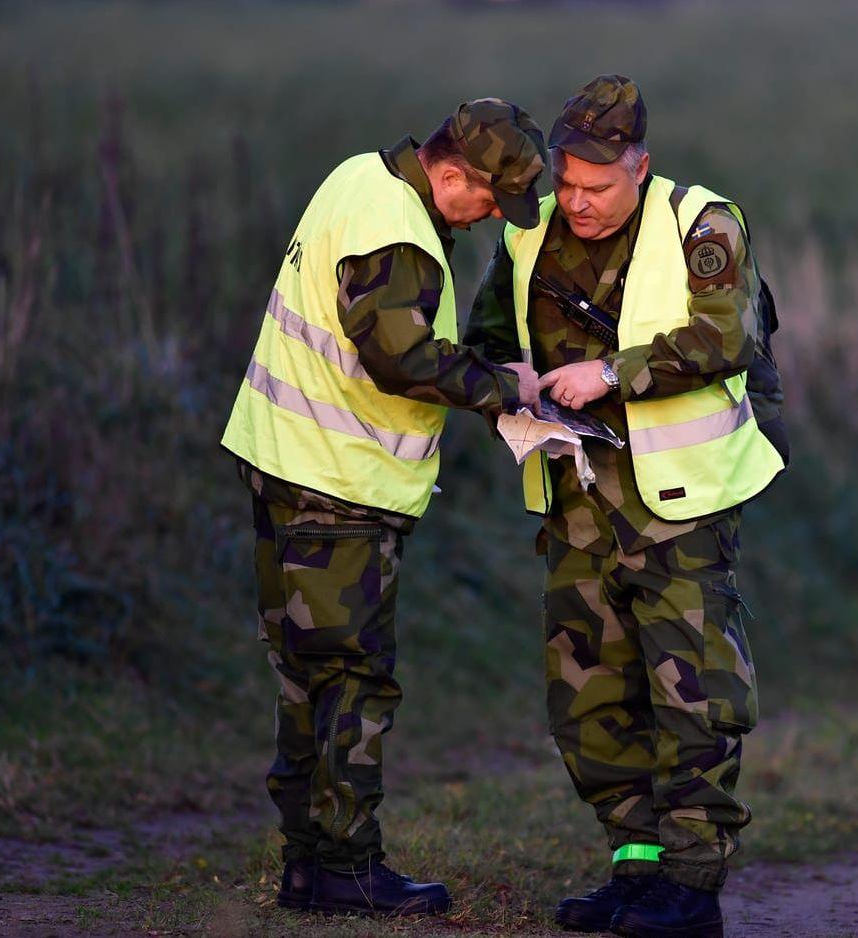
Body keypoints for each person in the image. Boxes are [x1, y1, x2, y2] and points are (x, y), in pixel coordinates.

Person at [466, 75, 785, 938]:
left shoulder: (702, 223)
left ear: (640, 168)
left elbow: (730, 338)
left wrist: (611, 373)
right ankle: (634, 868)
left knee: (693, 696)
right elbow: (486, 340)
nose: (577, 202)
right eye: (566, 183)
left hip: (679, 506)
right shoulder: (530, 236)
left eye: (597, 187)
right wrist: (512, 387)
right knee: (589, 696)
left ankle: (691, 887)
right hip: (573, 501)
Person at [219, 99, 547, 917]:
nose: (483, 222)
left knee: (304, 676)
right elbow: (400, 358)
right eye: (485, 202)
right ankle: (348, 868)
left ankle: (307, 864)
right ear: (449, 174)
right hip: (339, 490)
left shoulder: (356, 178)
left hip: (286, 466)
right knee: (351, 682)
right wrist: (510, 389)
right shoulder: (397, 231)